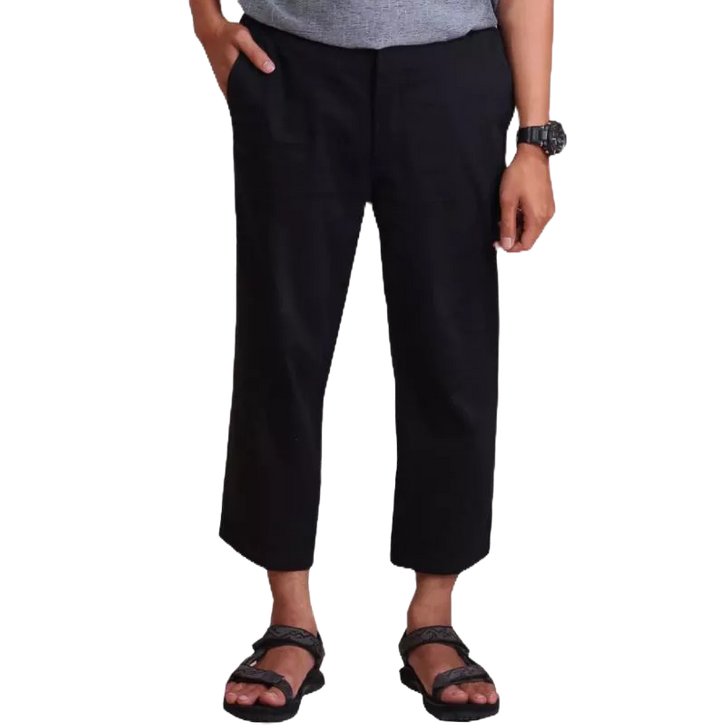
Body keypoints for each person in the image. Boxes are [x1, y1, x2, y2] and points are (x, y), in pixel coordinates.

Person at [189, 0, 562, 721]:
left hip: (451, 74)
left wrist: (535, 140)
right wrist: (206, 18)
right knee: (281, 346)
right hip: (292, 63)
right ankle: (289, 619)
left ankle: (434, 617)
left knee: (450, 349)